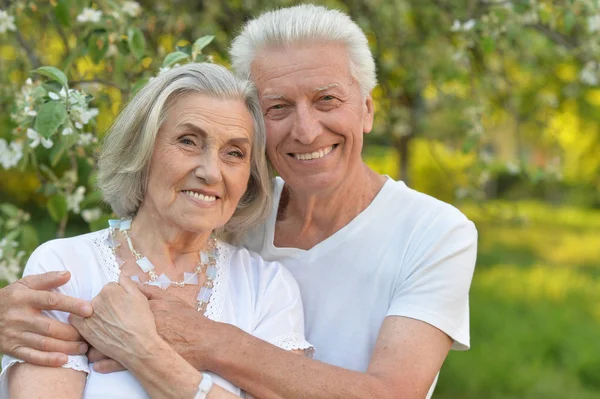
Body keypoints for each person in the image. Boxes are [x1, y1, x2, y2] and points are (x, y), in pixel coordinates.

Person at [0, 4, 477, 399]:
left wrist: (179, 344)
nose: (307, 130)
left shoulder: (433, 233)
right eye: (278, 108)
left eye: (327, 99)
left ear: (368, 109)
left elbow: (393, 396)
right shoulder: (228, 215)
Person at [0, 63, 312, 398]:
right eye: (188, 141)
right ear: (143, 150)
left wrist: (142, 350)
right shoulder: (66, 268)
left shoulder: (267, 288)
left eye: (234, 153)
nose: (211, 171)